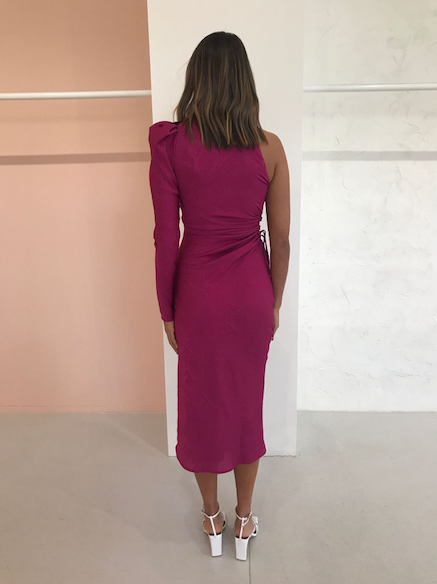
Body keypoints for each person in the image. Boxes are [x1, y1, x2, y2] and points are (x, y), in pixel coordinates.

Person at [148, 31, 290, 560]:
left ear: (197, 80)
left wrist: (167, 308)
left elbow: (167, 238)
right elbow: (281, 240)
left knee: (202, 408)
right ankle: (245, 521)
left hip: (198, 297)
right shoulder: (270, 148)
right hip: (251, 293)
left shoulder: (172, 148)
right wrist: (273, 302)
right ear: (244, 82)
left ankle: (212, 518)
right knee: (247, 406)